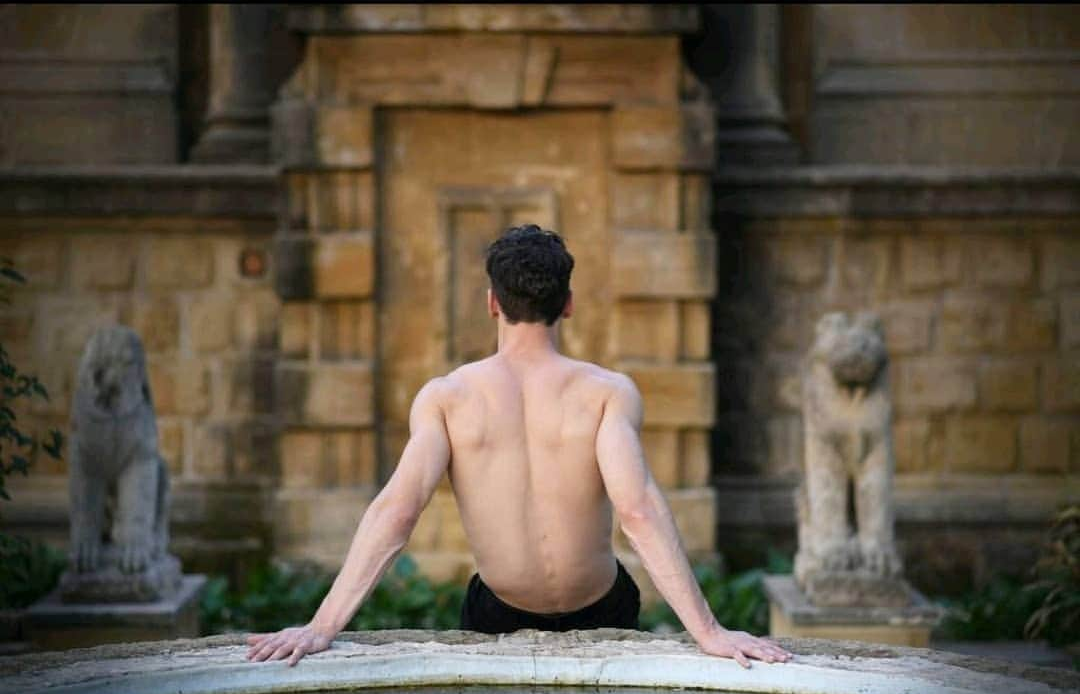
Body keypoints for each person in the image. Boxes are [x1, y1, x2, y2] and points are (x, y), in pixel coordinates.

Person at [246, 224, 792, 670]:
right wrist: (709, 631)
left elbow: (398, 510)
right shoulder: (606, 393)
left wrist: (322, 627)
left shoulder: (447, 398)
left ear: (492, 302)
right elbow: (638, 511)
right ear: (569, 303)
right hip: (602, 606)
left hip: (498, 611)